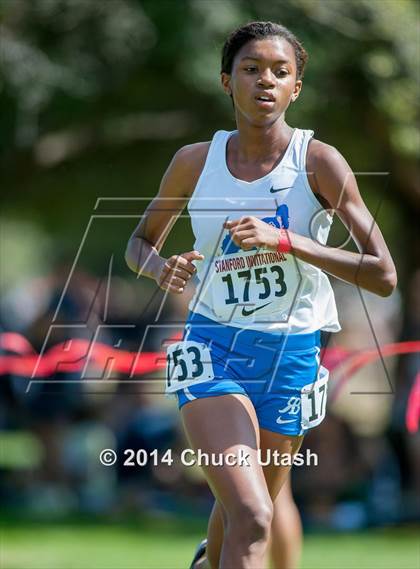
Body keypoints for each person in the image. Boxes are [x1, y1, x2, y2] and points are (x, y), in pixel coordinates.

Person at [126, 21, 397, 569]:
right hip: (212, 349)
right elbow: (138, 243)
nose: (265, 82)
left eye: (281, 72)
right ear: (226, 81)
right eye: (251, 70)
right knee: (252, 514)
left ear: (297, 87)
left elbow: (382, 273)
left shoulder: (319, 163)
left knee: (248, 515)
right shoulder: (193, 162)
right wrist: (159, 269)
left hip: (292, 354)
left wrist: (288, 241)